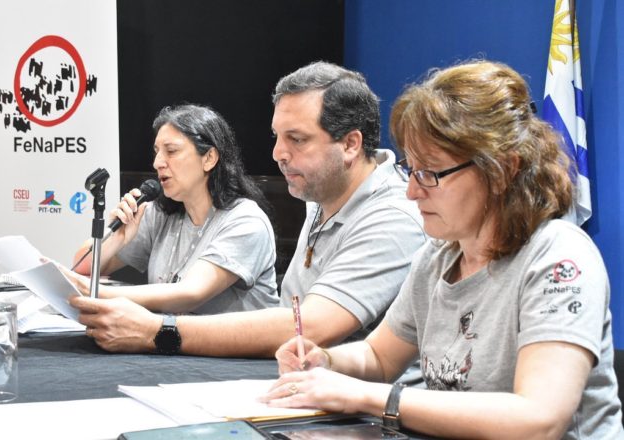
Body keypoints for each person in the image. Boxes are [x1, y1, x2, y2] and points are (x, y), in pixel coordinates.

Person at [263, 61, 624, 439]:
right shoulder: (438, 257)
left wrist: (370, 397)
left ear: (501, 170)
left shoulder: (558, 257)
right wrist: (325, 360)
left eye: (430, 174)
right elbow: (378, 357)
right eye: (412, 170)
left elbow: (538, 420)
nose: (412, 191)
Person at [69, 61, 426, 356]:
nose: (278, 153)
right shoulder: (321, 197)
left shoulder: (392, 216)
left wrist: (156, 330)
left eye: (297, 139)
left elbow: (312, 326)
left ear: (350, 144)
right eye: (277, 137)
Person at [69, 104, 279, 316]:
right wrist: (118, 238)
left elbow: (191, 294)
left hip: (232, 339)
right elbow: (82, 267)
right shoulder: (160, 213)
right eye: (157, 152)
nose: (157, 163)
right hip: (167, 336)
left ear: (209, 158)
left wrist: (97, 294)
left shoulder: (246, 221)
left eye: (171, 151)